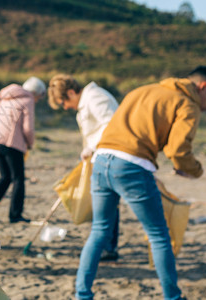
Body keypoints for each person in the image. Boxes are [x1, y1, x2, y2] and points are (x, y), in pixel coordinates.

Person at [75, 66, 206, 300]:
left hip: (101, 159)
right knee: (159, 235)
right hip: (131, 167)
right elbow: (178, 149)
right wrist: (193, 170)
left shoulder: (142, 90)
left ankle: (82, 295)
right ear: (203, 87)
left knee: (99, 231)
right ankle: (173, 297)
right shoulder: (187, 104)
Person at [47, 74, 120, 261]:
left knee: (105, 204)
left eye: (64, 102)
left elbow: (111, 124)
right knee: (103, 204)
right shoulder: (87, 100)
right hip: (99, 158)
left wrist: (92, 147)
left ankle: (107, 247)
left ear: (71, 92)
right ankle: (107, 246)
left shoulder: (96, 97)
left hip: (109, 158)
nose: (65, 107)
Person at [0, 76, 46, 223]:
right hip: (13, 143)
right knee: (18, 179)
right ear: (36, 92)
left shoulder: (6, 97)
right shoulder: (28, 99)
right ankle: (15, 215)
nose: (38, 99)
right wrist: (30, 143)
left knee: (5, 177)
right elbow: (28, 128)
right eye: (40, 96)